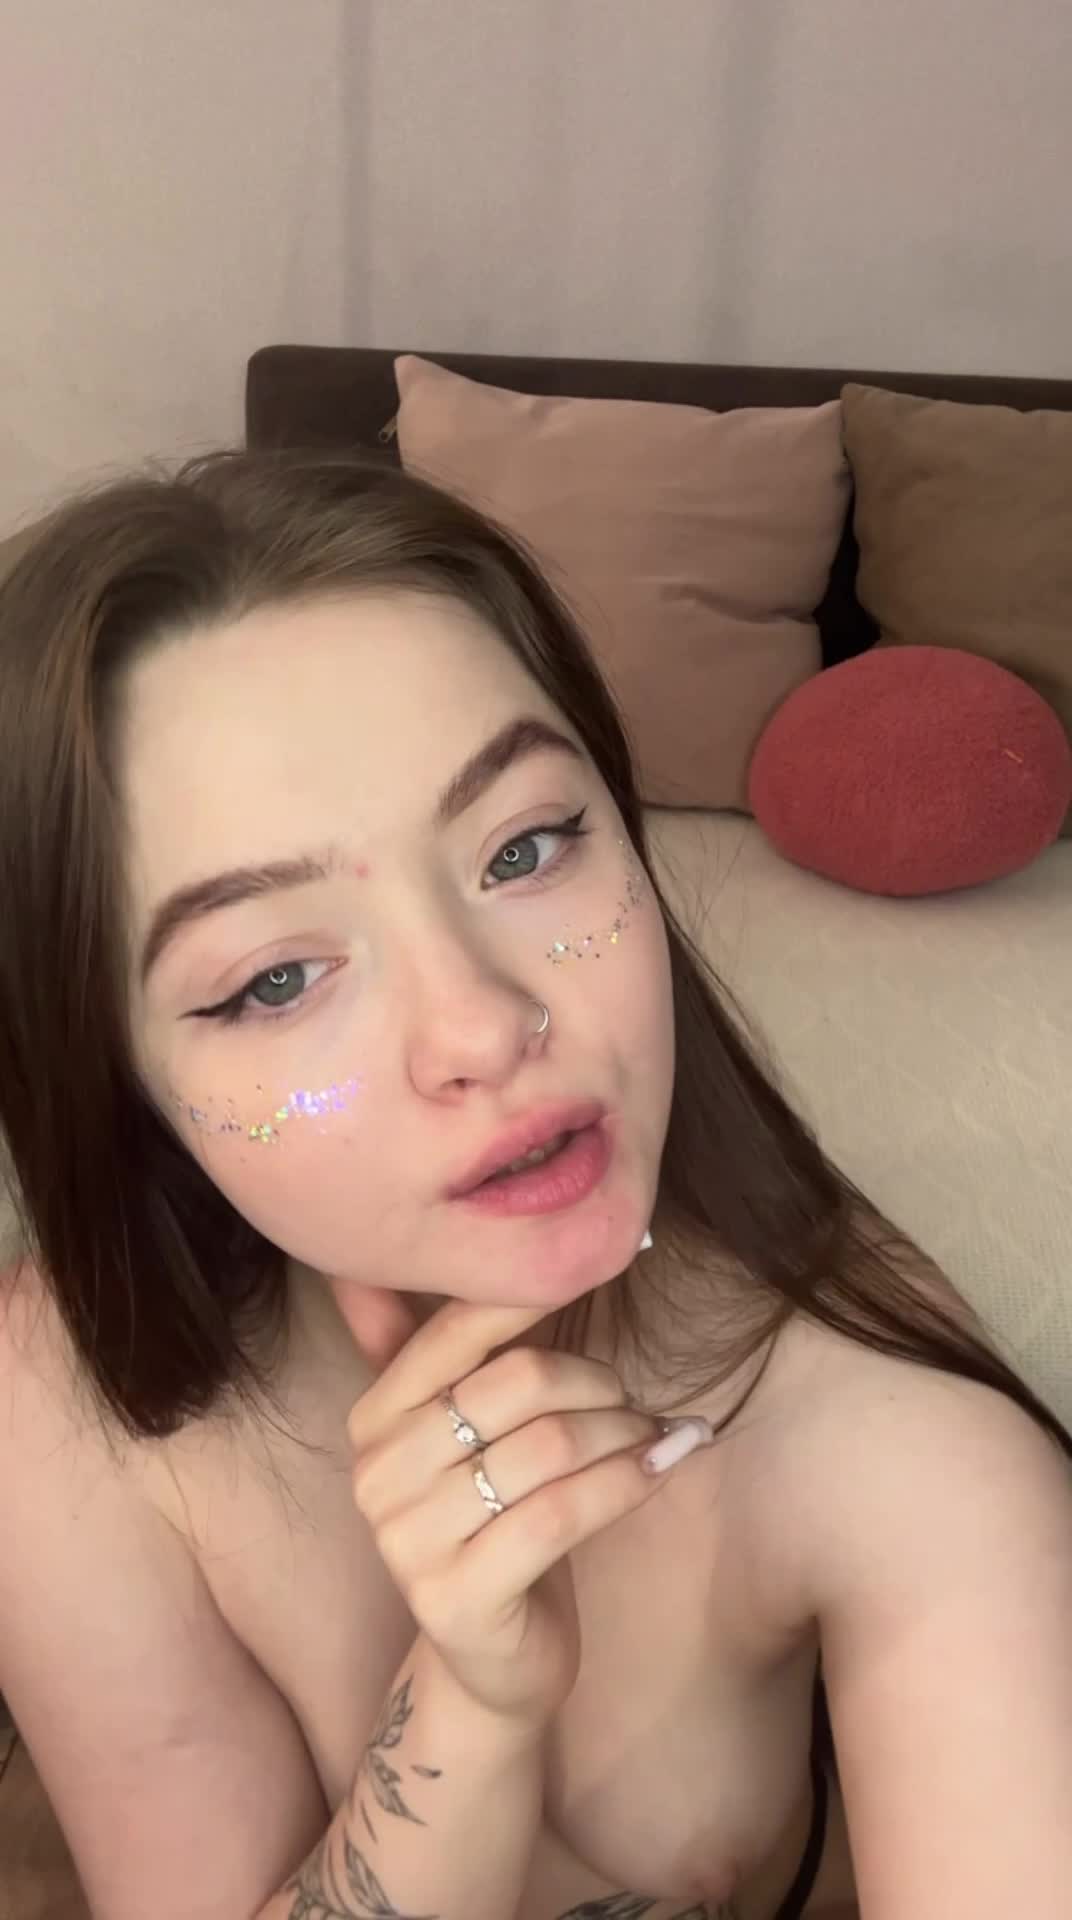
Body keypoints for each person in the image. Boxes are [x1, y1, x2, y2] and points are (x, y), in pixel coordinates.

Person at [0, 448, 1068, 1920]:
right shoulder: (62, 1393)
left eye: (526, 846)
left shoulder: (889, 1433)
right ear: (114, 1073)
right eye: (276, 979)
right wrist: (470, 1715)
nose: (485, 1028)